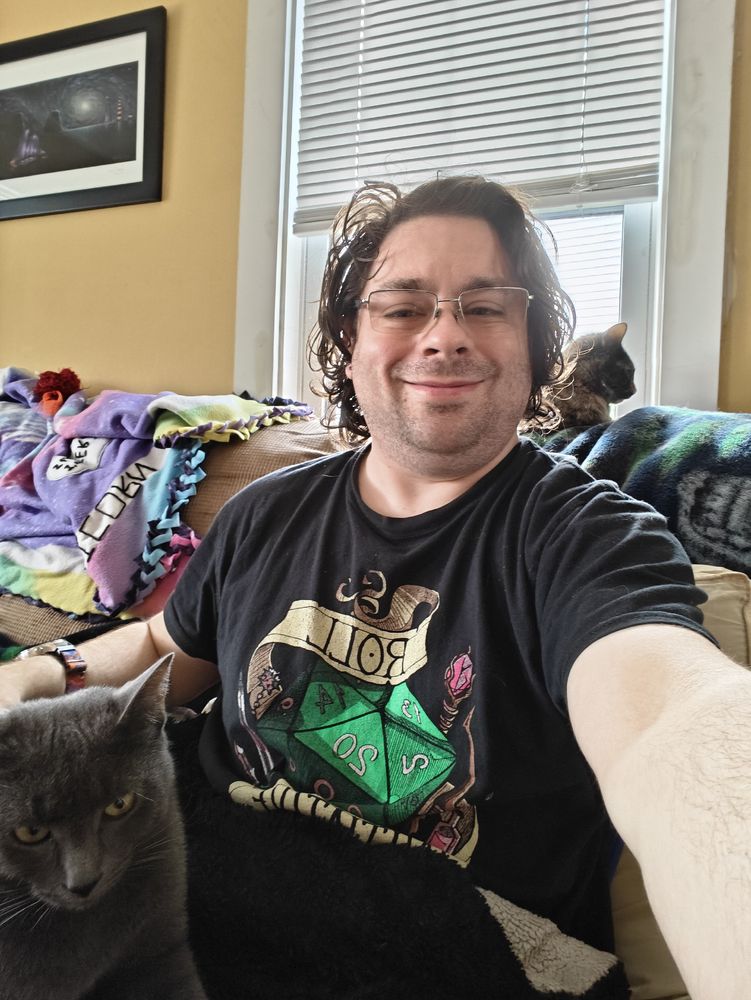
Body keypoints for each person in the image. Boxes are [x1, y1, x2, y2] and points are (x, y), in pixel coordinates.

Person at [2, 176, 749, 997]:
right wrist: (44, 678)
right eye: (402, 306)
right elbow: (161, 646)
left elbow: (668, 720)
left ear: (532, 344)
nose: (444, 336)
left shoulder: (589, 537)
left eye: (486, 305)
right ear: (349, 341)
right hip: (179, 897)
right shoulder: (264, 512)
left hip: (425, 946)